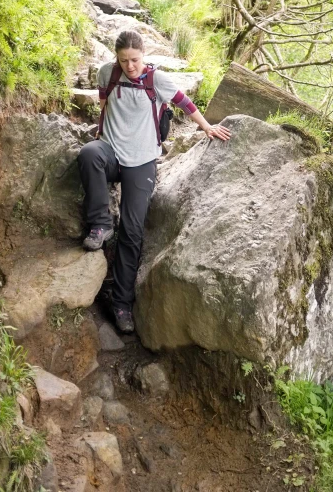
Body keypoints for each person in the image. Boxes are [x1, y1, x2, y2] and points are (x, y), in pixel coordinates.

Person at [77, 29, 231, 333]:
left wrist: (207, 127)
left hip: (142, 160)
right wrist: (100, 133)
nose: (130, 66)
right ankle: (100, 225)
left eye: (134, 60)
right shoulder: (107, 73)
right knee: (88, 154)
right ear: (116, 58)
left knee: (133, 231)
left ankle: (121, 304)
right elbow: (105, 104)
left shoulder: (156, 80)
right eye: (124, 60)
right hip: (110, 151)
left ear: (143, 56)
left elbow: (185, 103)